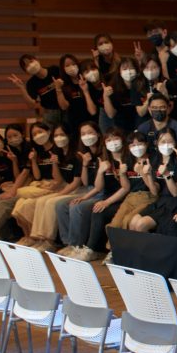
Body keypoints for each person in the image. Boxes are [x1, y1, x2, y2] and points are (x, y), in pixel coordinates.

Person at [68, 128, 132, 261]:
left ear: (122, 140)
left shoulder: (129, 158)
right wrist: (100, 171)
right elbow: (98, 186)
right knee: (87, 207)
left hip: (125, 198)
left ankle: (92, 249)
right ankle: (80, 246)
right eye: (109, 140)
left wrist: (106, 202)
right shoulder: (104, 159)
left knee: (99, 210)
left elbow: (126, 188)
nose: (112, 143)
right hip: (107, 196)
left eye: (115, 139)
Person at [55, 125, 103, 253]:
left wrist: (84, 197)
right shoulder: (84, 154)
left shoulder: (104, 153)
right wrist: (85, 165)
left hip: (103, 193)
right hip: (90, 190)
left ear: (98, 134)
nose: (87, 136)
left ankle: (76, 245)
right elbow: (86, 182)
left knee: (76, 206)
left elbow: (100, 187)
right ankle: (67, 242)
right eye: (83, 134)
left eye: (90, 132)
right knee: (61, 205)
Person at [9, 54, 68, 127]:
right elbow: (31, 104)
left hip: (67, 106)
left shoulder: (55, 70)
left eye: (31, 61)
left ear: (37, 60)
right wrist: (22, 88)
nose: (31, 65)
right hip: (50, 112)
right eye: (27, 66)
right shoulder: (31, 83)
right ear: (26, 71)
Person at [102, 57, 144, 132]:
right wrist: (105, 96)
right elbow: (111, 114)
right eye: (124, 69)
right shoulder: (113, 88)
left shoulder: (142, 86)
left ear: (136, 70)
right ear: (119, 71)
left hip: (140, 125)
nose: (128, 71)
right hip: (121, 127)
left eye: (131, 68)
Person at [59, 55, 98, 129]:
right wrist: (58, 90)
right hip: (73, 123)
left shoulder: (87, 81)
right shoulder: (64, 86)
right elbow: (64, 107)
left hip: (91, 121)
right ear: (63, 69)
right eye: (67, 65)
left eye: (73, 64)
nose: (71, 67)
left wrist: (85, 91)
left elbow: (93, 111)